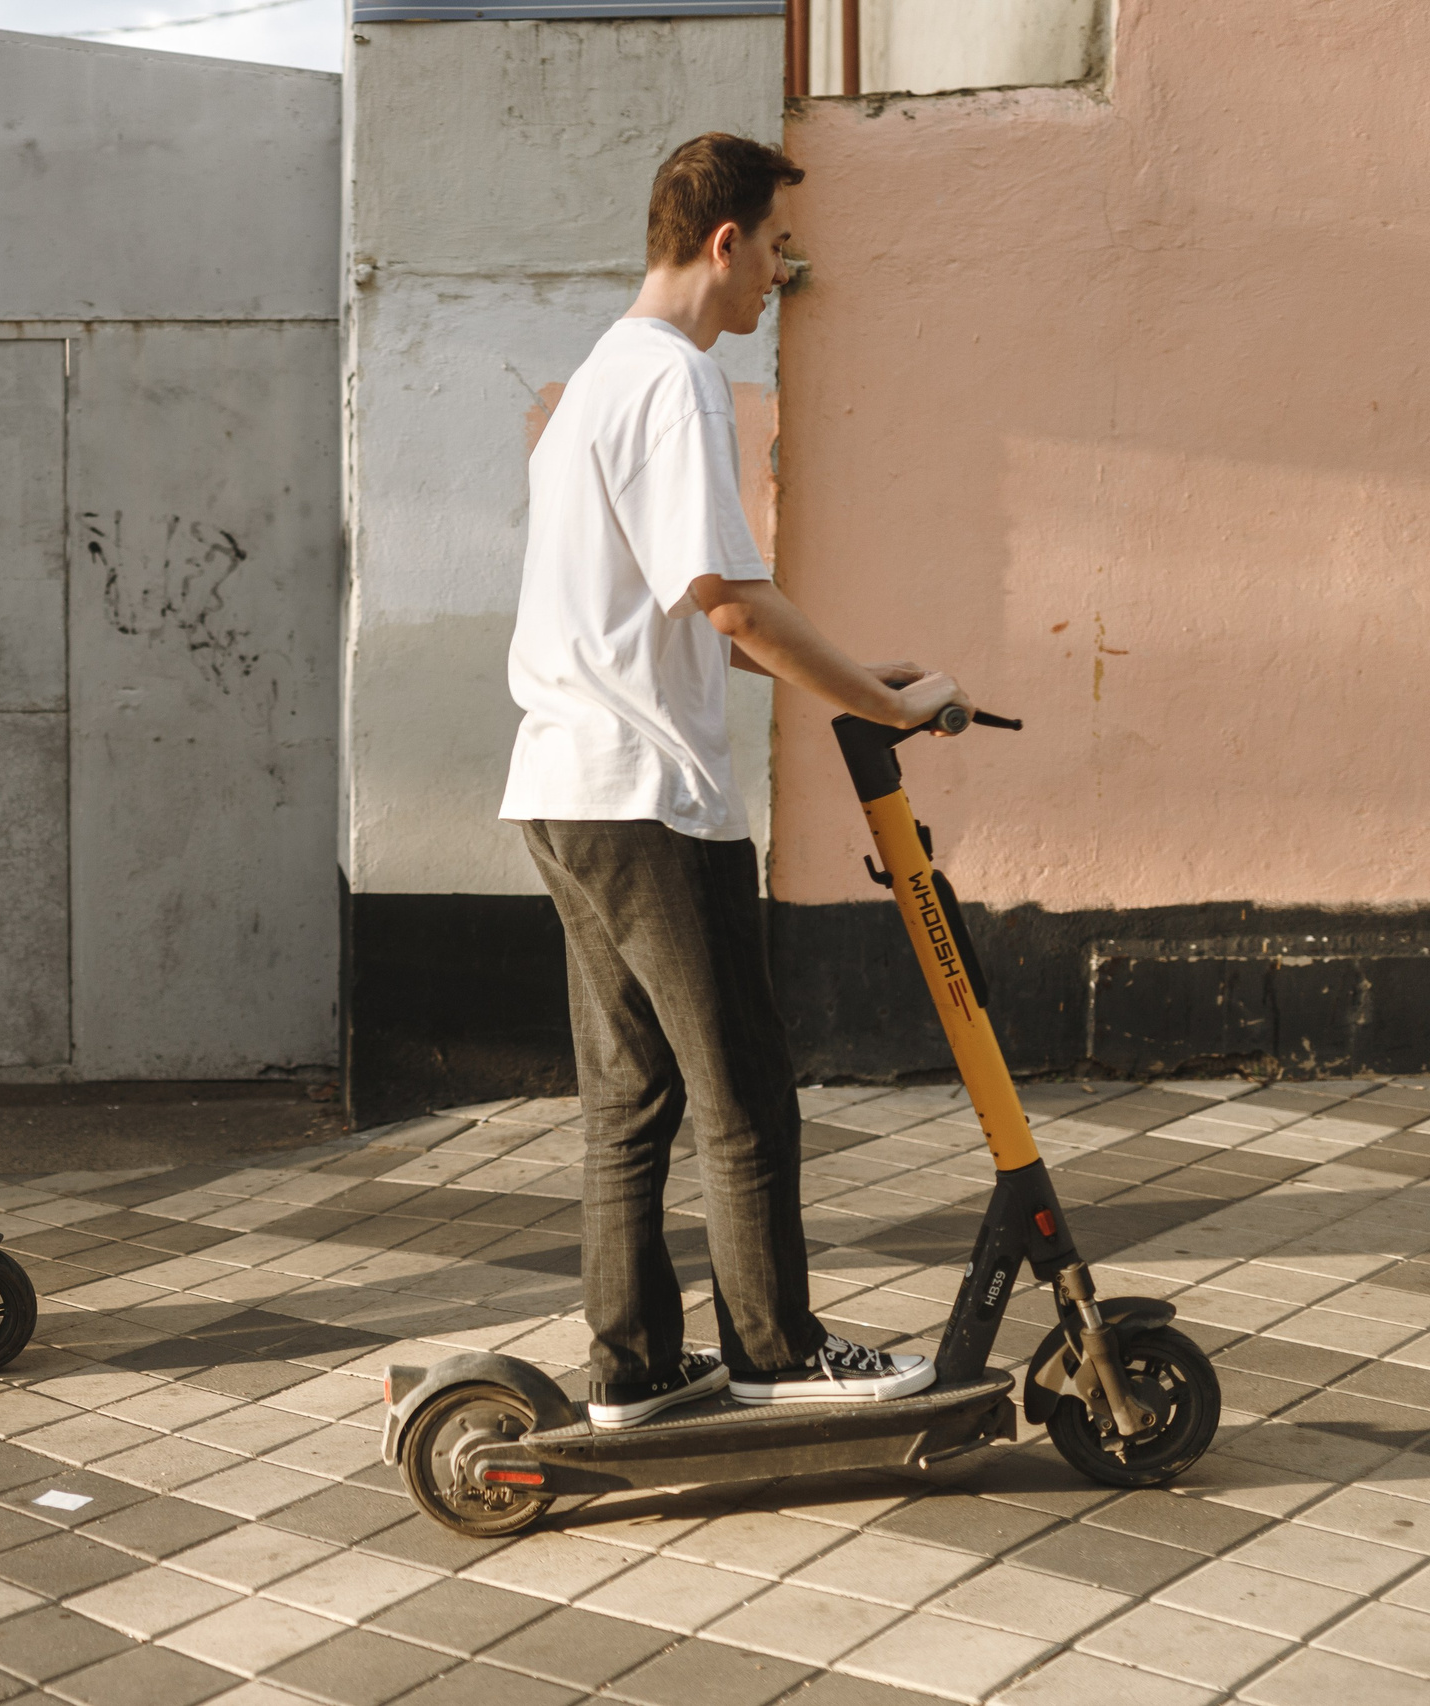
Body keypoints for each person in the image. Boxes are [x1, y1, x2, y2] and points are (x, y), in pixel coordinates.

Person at [501, 134, 969, 1430]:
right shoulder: (676, 381)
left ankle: (637, 1366)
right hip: (647, 797)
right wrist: (883, 704)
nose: (780, 274)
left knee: (631, 1095)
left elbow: (664, 618)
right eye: (774, 247)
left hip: (563, 785)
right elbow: (729, 604)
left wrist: (839, 671)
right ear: (723, 243)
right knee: (743, 1086)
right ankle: (775, 1349)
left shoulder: (594, 382)